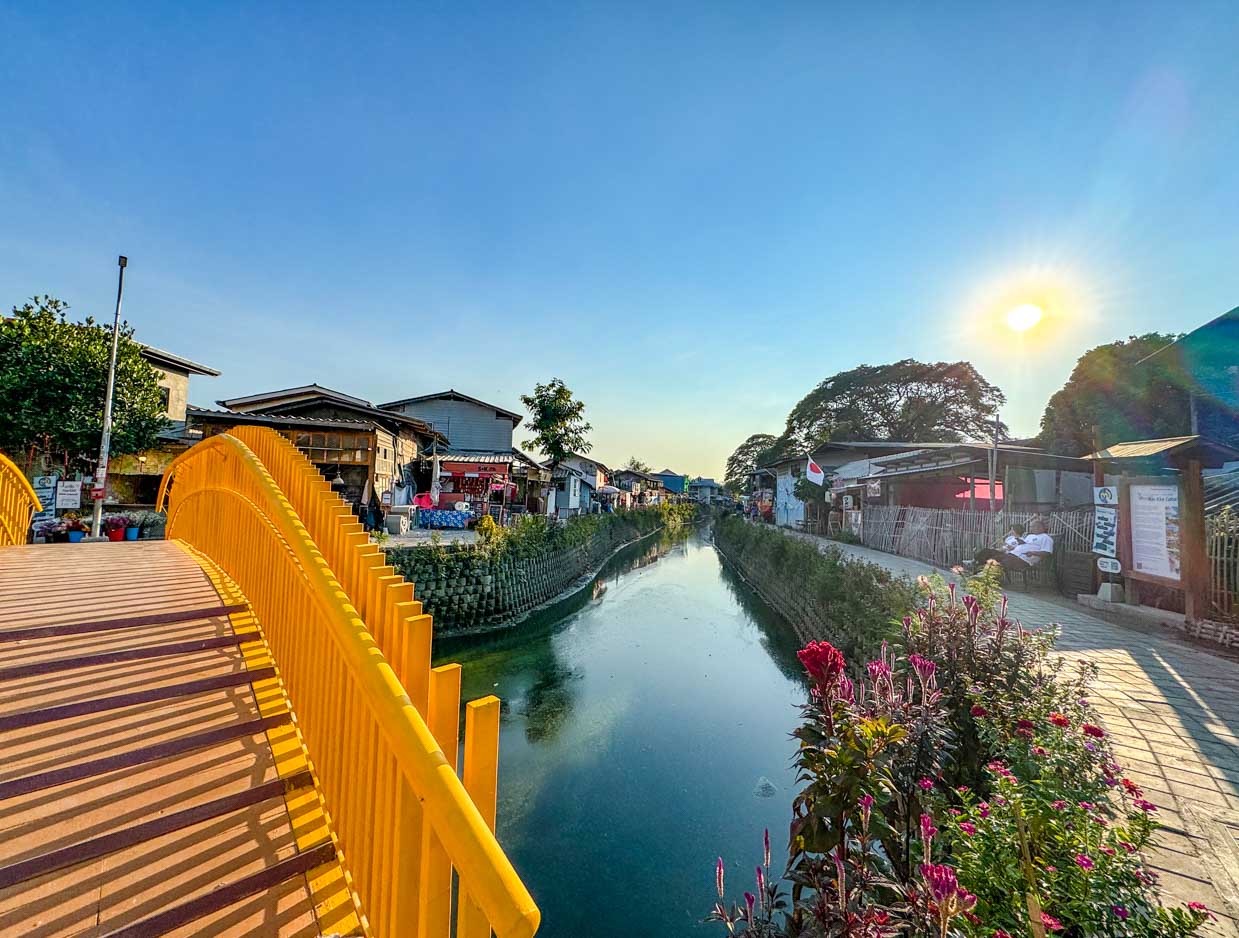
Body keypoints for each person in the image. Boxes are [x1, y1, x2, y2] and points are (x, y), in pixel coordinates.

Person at [974, 518, 1054, 572]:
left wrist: (1033, 552)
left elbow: (1047, 552)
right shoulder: (1030, 536)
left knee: (997, 560)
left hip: (1023, 560)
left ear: (1039, 527)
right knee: (987, 552)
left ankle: (982, 573)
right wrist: (1013, 546)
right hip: (1012, 554)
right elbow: (1023, 546)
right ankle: (975, 564)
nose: (1031, 528)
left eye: (1032, 527)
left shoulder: (1046, 538)